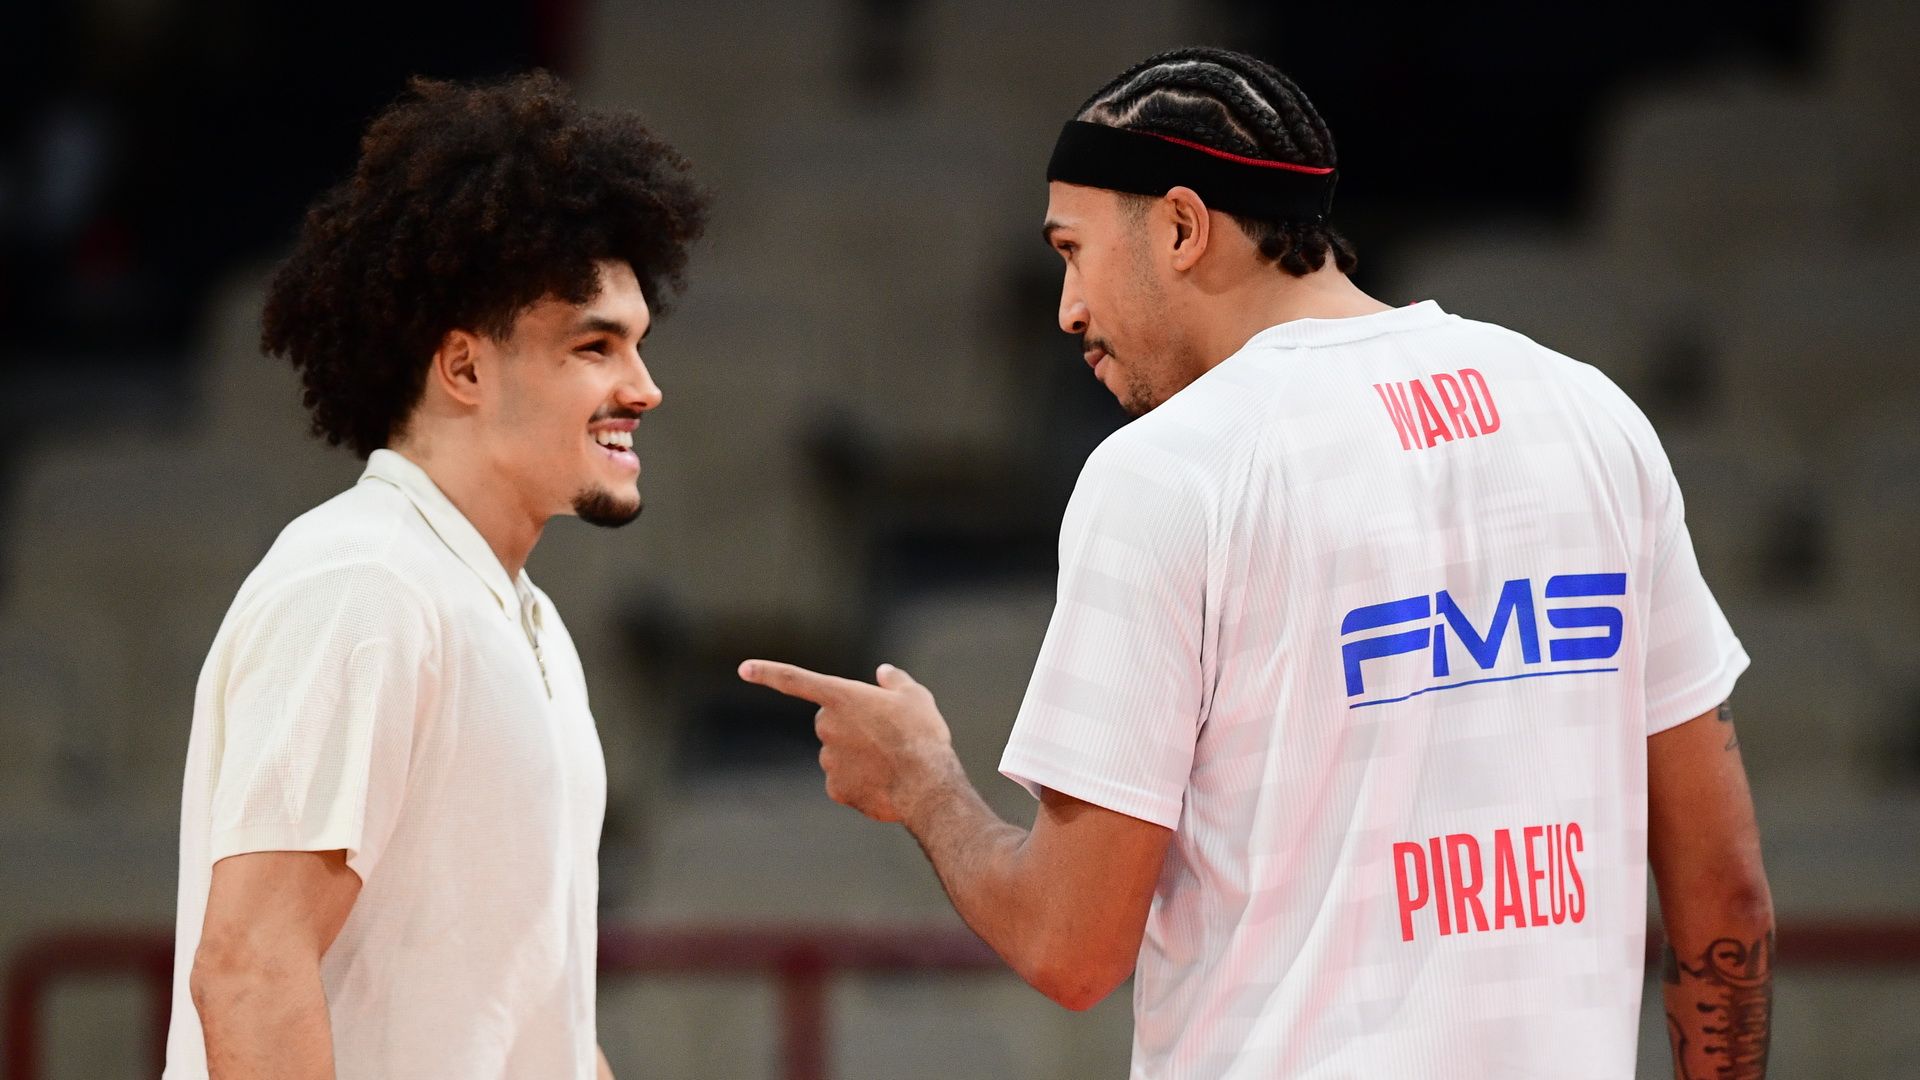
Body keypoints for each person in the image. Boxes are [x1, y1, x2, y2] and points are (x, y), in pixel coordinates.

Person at [741, 46, 1771, 1079]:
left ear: (1182, 228)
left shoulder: (1169, 471)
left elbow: (1069, 945)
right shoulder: (1589, 416)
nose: (1068, 309)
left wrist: (924, 784)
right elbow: (1724, 892)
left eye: (1074, 252)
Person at [165, 72, 705, 1080]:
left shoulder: (520, 617)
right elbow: (248, 970)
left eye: (638, 344)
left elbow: (526, 1019)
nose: (644, 387)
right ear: (462, 368)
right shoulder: (364, 585)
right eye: (596, 345)